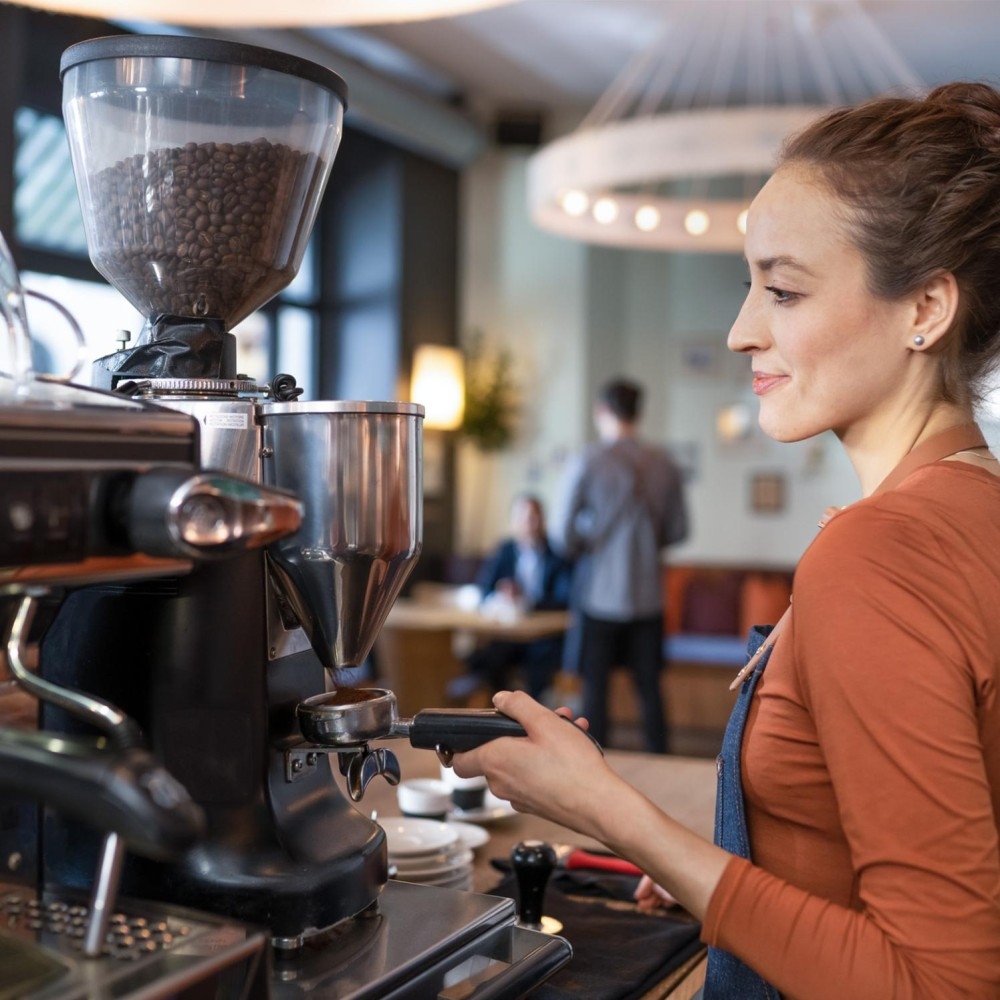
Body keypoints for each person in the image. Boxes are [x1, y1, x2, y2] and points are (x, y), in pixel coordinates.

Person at [453, 82, 1000, 1000]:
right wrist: (727, 878)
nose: (743, 330)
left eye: (782, 289)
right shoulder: (971, 511)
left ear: (926, 309)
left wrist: (607, 810)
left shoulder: (880, 556)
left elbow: (943, 981)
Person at [549, 378, 688, 754]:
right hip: (648, 595)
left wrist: (589, 536)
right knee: (650, 690)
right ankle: (663, 765)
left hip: (600, 595)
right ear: (638, 412)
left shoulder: (588, 460)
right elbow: (679, 530)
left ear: (602, 411)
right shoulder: (665, 463)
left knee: (595, 692)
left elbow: (561, 533)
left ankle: (596, 768)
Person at [450, 493, 572, 701]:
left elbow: (564, 600)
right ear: (514, 522)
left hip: (542, 637)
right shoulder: (504, 551)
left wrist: (528, 602)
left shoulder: (557, 556)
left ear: (542, 520)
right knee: (487, 658)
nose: (529, 524)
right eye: (523, 518)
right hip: (507, 636)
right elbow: (483, 589)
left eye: (534, 517)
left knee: (543, 660)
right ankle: (505, 709)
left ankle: (534, 711)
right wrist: (501, 592)